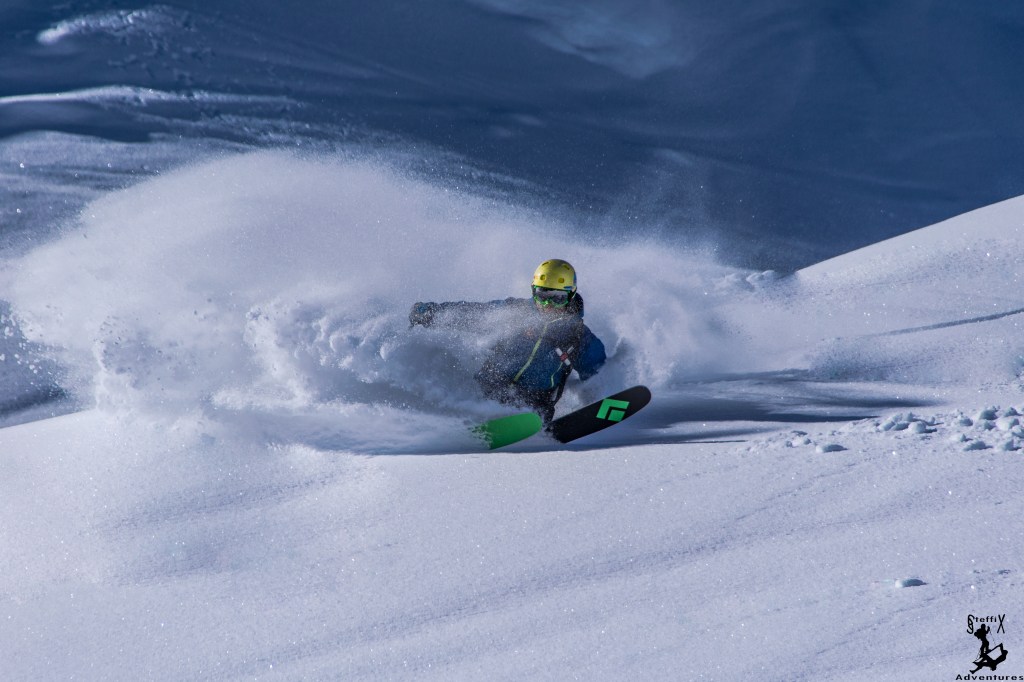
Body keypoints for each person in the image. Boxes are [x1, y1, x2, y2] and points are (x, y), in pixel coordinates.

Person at [409, 259, 606, 424]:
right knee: (485, 396)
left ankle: (527, 425)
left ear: (571, 295)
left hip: (537, 400)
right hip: (492, 385)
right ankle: (470, 424)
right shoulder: (515, 312)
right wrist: (433, 313)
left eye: (557, 298)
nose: (547, 305)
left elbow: (597, 372)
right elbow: (474, 314)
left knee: (535, 411)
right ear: (533, 291)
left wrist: (599, 399)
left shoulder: (577, 335)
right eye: (542, 295)